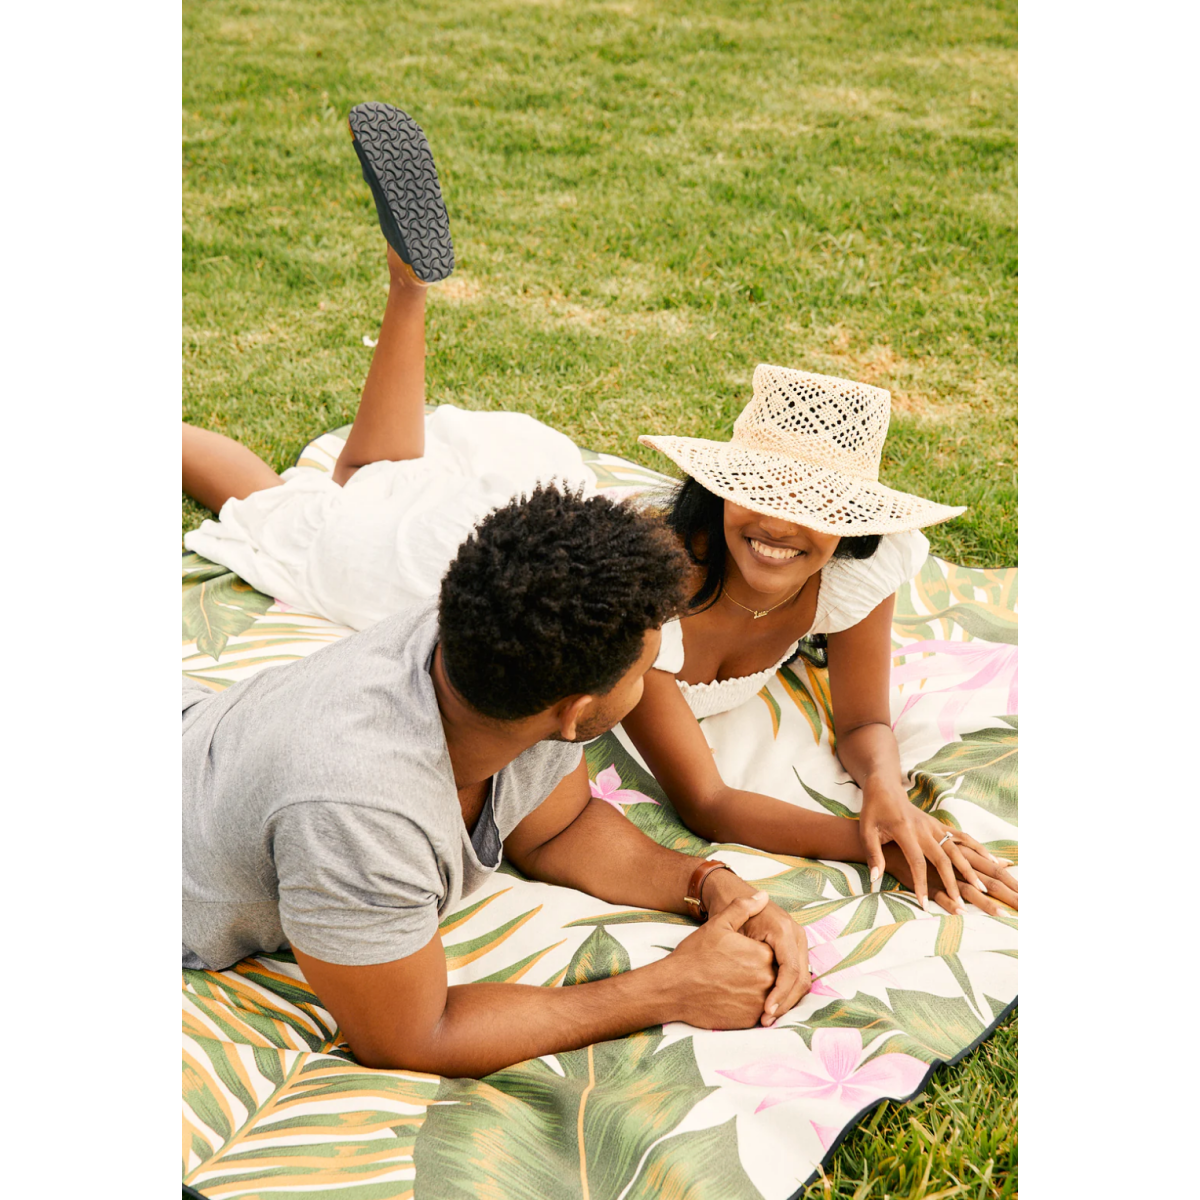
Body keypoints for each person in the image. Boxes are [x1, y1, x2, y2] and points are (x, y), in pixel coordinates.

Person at [182, 102, 1016, 928]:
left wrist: (886, 796)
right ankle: (410, 289)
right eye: (757, 494)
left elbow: (865, 718)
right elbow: (707, 800)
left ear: (853, 523)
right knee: (307, 508)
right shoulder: (642, 596)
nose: (779, 525)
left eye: (817, 509)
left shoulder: (860, 572)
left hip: (546, 521)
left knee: (371, 474)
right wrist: (865, 841)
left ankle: (409, 290)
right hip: (458, 561)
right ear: (718, 488)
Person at [183, 482, 814, 1078]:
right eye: (644, 671)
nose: (653, 682)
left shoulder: (501, 651)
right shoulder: (357, 810)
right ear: (575, 710)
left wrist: (711, 887)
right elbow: (410, 1038)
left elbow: (555, 829)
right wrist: (667, 990)